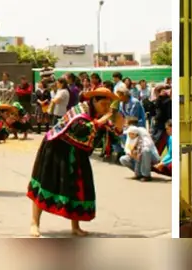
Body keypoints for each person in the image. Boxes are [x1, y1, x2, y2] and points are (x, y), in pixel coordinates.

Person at [27, 86, 125, 238]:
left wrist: (119, 125)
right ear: (94, 101)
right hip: (56, 148)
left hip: (77, 152)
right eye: (103, 104)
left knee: (78, 187)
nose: (106, 108)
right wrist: (103, 120)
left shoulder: (97, 114)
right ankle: (34, 223)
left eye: (108, 104)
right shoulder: (80, 111)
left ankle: (75, 226)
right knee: (45, 183)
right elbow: (81, 130)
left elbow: (110, 134)